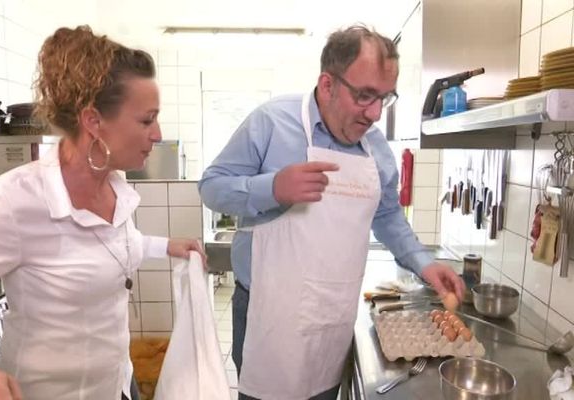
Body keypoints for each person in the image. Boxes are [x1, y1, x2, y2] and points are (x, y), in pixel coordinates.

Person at [198, 25, 465, 400]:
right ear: (328, 85)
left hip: (333, 317)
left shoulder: (376, 150)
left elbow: (387, 216)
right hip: (268, 314)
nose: (374, 113)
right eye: (364, 96)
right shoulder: (272, 123)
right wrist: (272, 188)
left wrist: (423, 262)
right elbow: (211, 186)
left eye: (384, 98)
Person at [0, 26, 205, 400]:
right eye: (147, 120)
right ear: (94, 121)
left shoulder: (114, 185)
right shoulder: (13, 201)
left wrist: (167, 246)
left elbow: (114, 243)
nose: (158, 134)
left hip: (116, 384)